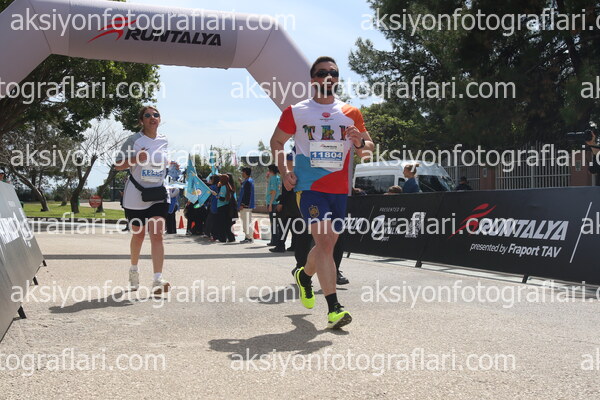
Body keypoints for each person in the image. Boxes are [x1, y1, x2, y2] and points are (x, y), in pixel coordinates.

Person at [270, 56, 374, 329]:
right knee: (326, 242)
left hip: (339, 190)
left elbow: (368, 150)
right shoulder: (296, 111)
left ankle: (304, 276)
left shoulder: (351, 112)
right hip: (309, 188)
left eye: (333, 72)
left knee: (326, 244)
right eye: (322, 72)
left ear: (337, 78)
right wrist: (285, 171)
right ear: (313, 78)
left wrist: (359, 142)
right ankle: (334, 308)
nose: (328, 76)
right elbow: (277, 142)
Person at [114, 106, 170, 294]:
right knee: (138, 235)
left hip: (158, 195)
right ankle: (133, 270)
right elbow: (118, 165)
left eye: (156, 115)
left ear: (159, 119)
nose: (152, 117)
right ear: (141, 121)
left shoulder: (164, 140)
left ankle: (158, 279)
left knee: (157, 234)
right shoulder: (134, 140)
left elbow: (160, 164)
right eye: (147, 115)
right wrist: (136, 158)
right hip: (136, 196)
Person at [266, 164, 284, 252]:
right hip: (276, 202)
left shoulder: (273, 178)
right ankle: (275, 239)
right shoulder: (277, 177)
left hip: (273, 203)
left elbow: (273, 191)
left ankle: (274, 240)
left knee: (273, 223)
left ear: (271, 171)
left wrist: (270, 204)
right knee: (275, 222)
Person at [215, 174, 236, 243]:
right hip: (226, 207)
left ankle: (222, 238)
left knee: (221, 224)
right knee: (227, 224)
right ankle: (230, 238)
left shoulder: (223, 187)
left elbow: (222, 198)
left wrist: (217, 195)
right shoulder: (228, 186)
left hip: (221, 207)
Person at [238, 167, 255, 243]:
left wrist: (243, 204)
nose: (242, 173)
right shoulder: (248, 181)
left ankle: (249, 238)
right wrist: (241, 183)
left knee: (246, 222)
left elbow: (247, 194)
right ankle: (247, 237)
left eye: (243, 172)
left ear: (245, 173)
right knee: (246, 222)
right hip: (246, 206)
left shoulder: (248, 182)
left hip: (246, 206)